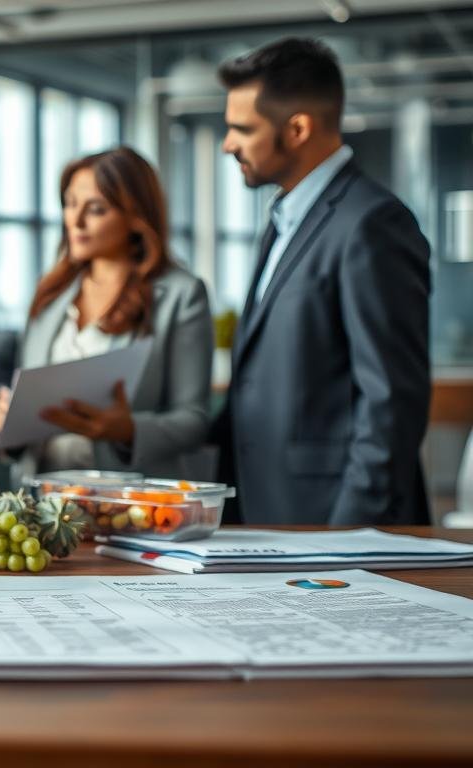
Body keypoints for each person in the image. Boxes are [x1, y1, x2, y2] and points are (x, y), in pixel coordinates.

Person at [213, 37, 431, 525]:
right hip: (267, 515)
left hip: (332, 526)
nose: (228, 144)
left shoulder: (372, 223)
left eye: (241, 129)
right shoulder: (282, 222)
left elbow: (391, 403)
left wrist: (345, 539)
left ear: (297, 129)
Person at [0, 147, 213, 481]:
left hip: (128, 501)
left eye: (95, 209)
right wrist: (6, 419)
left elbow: (193, 420)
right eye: (69, 204)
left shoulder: (181, 295)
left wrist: (126, 430)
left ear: (136, 216)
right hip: (41, 501)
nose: (75, 221)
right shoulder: (50, 295)